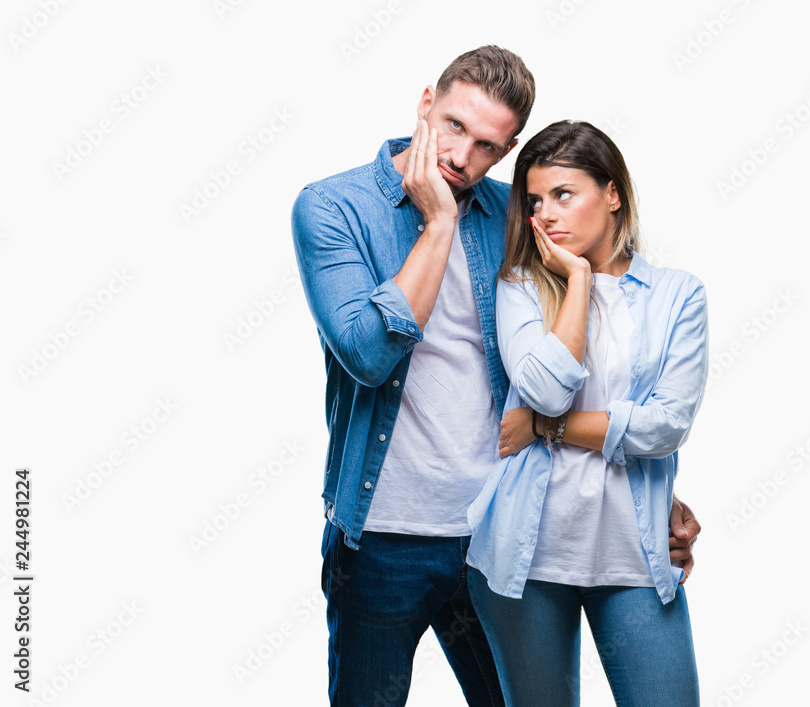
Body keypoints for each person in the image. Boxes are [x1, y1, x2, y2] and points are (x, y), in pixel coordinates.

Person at [291, 46, 702, 706]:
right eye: (453, 126)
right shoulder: (332, 208)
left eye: (486, 146)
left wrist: (650, 495)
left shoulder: (520, 213)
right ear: (427, 102)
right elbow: (367, 356)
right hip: (383, 537)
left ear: (507, 150)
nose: (460, 157)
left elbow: (599, 357)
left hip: (503, 531)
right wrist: (440, 222)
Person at [466, 120, 709, 707]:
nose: (546, 214)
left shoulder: (678, 294)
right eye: (535, 201)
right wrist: (577, 280)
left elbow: (665, 425)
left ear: (613, 194)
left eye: (564, 194)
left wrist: (546, 430)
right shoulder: (521, 286)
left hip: (635, 554)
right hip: (525, 557)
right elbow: (546, 389)